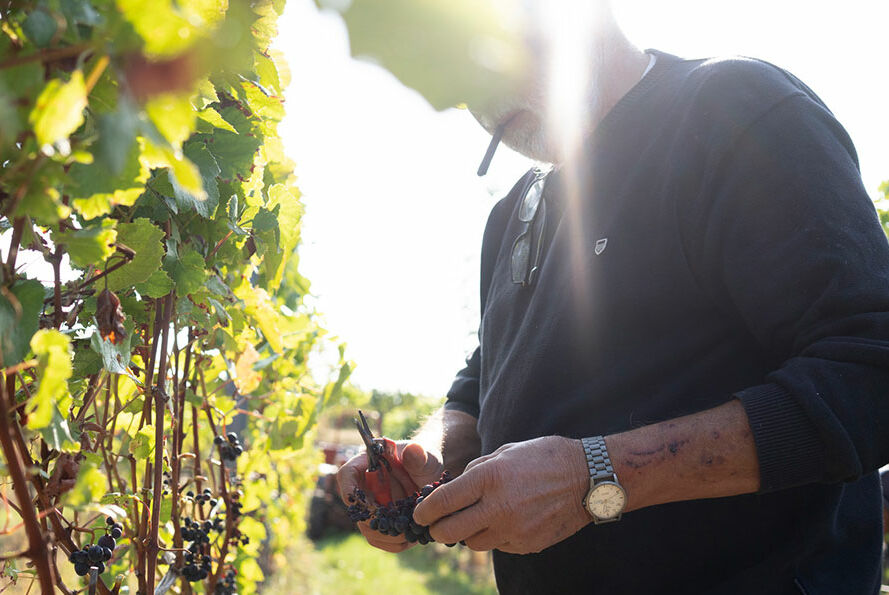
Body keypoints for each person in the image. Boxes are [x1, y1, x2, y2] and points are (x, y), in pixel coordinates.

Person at [337, 1, 889, 593]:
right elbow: (485, 377)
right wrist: (431, 454)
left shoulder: (735, 112)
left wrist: (596, 478)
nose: (481, 99)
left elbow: (870, 370)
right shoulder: (512, 212)